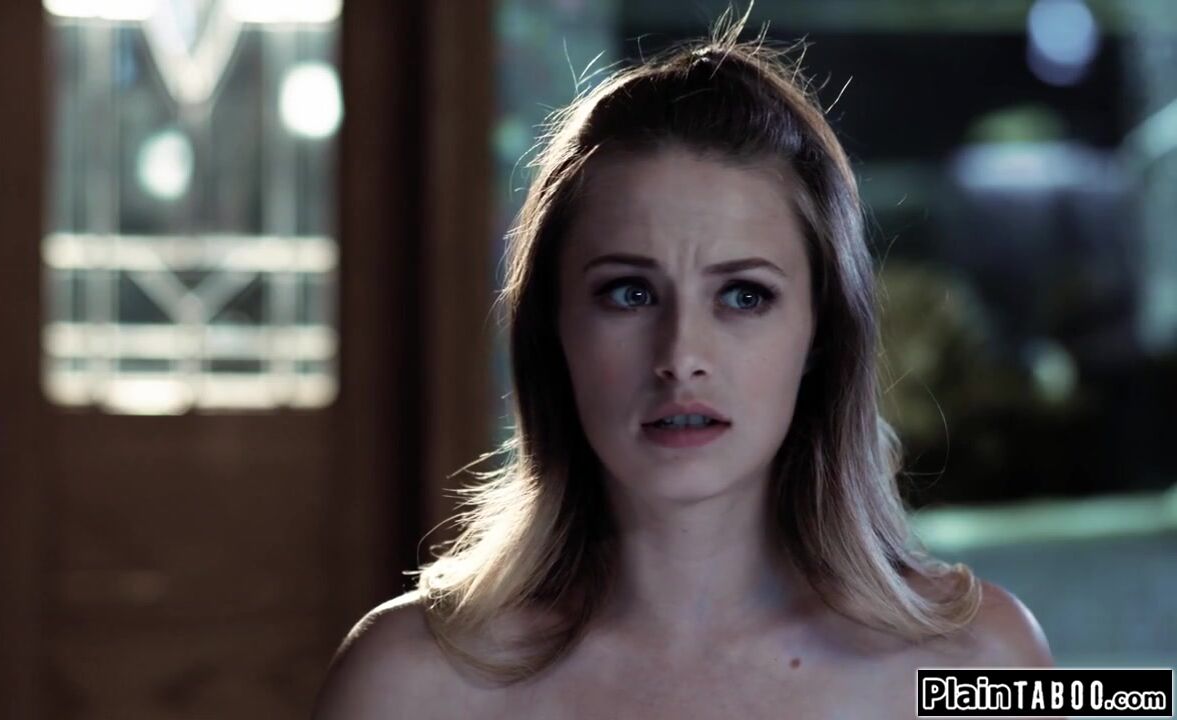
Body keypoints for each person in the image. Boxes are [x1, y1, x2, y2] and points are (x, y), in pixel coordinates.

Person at [313, 14, 1054, 719]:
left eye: (743, 295)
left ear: (822, 334)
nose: (680, 358)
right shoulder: (409, 683)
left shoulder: (984, 662)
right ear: (553, 330)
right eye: (629, 293)